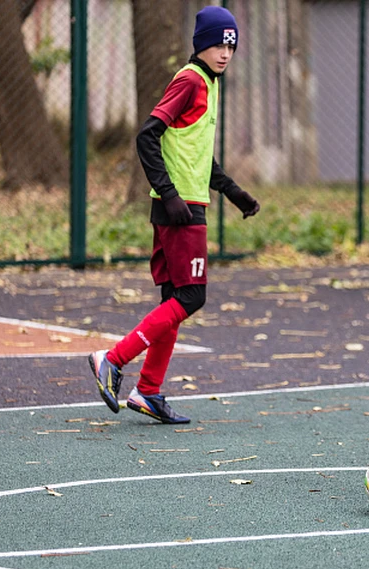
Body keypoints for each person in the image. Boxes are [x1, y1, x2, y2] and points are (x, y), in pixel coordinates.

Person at [89, 6, 260, 424]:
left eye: (230, 45)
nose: (224, 52)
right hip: (180, 209)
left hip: (185, 203)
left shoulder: (210, 84)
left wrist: (232, 191)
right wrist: (169, 195)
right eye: (218, 43)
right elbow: (148, 135)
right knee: (191, 297)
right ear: (201, 42)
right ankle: (112, 359)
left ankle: (148, 391)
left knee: (174, 298)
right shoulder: (190, 80)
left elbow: (196, 151)